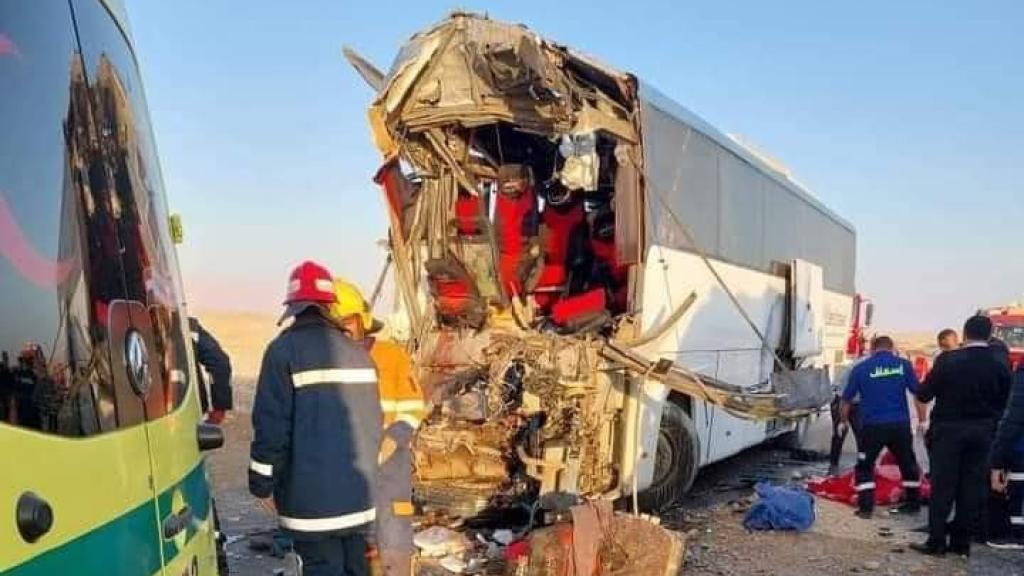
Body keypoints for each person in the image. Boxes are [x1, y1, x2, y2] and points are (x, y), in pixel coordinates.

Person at [249, 261, 382, 576]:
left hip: (311, 509)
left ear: (293, 305)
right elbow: (374, 426)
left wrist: (261, 484)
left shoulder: (282, 352)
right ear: (329, 305)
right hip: (359, 504)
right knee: (355, 568)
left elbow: (270, 429)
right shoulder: (359, 354)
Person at [329, 278, 424, 576]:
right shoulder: (326, 361)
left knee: (393, 550)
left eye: (347, 321)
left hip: (388, 472)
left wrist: (392, 439)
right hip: (344, 473)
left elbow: (412, 408)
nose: (344, 330)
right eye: (335, 325)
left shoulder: (391, 356)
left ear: (362, 319)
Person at [911, 315, 1012, 557]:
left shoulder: (948, 360)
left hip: (948, 431)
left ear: (964, 334)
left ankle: (936, 542)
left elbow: (924, 395)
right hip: (983, 432)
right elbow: (1004, 401)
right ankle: (961, 543)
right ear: (989, 335)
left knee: (943, 486)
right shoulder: (999, 363)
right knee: (971, 487)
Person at [841, 335, 923, 518]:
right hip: (900, 425)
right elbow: (919, 393)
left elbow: (846, 400)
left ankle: (865, 509)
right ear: (892, 348)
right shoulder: (904, 365)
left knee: (865, 466)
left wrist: (843, 421)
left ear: (872, 348)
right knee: (907, 463)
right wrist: (923, 421)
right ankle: (913, 504)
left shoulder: (860, 369)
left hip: (872, 427)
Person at [988, 362, 1024, 550]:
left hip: (1020, 449)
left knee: (1018, 484)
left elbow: (1014, 419)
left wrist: (997, 460)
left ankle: (1018, 534)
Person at [190, 317, 233, 424]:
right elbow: (220, 363)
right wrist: (218, 411)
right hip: (186, 411)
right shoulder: (185, 326)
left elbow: (220, 363)